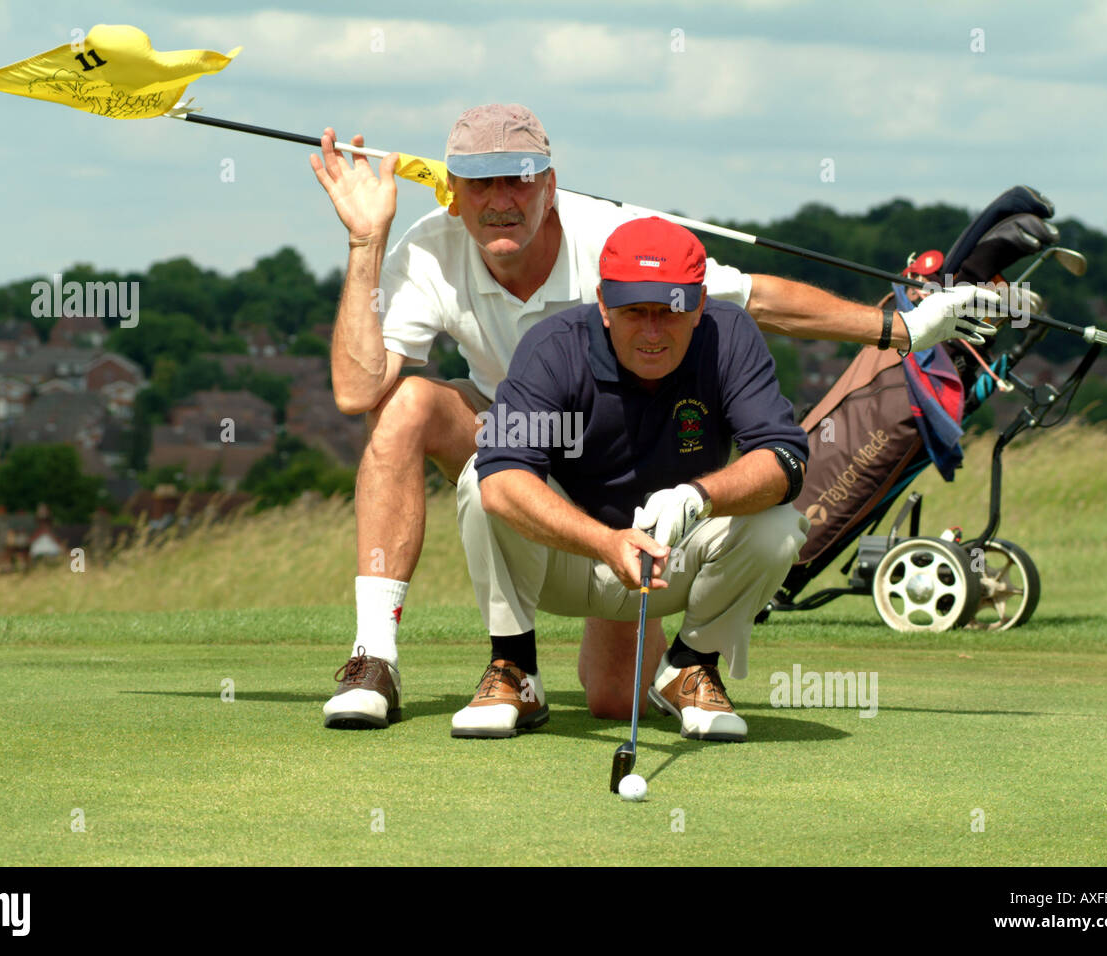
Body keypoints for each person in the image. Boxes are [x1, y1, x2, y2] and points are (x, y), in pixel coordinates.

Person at [309, 103, 994, 731]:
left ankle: (685, 663)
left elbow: (754, 300)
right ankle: (382, 658)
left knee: (616, 701)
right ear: (453, 193)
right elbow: (353, 389)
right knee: (406, 408)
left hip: (628, 462)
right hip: (522, 442)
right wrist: (366, 242)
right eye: (481, 184)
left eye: (519, 180)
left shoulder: (613, 242)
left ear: (549, 183)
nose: (501, 201)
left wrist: (894, 331)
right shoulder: (430, 247)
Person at [452, 215, 806, 740]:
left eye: (670, 311)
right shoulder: (552, 346)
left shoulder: (730, 335)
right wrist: (605, 542)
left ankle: (691, 665)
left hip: (671, 561)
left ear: (700, 302)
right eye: (634, 311)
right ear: (603, 303)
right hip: (569, 558)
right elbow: (504, 478)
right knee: (480, 481)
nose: (652, 331)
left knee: (778, 521)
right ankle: (515, 669)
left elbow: (784, 458)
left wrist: (700, 495)